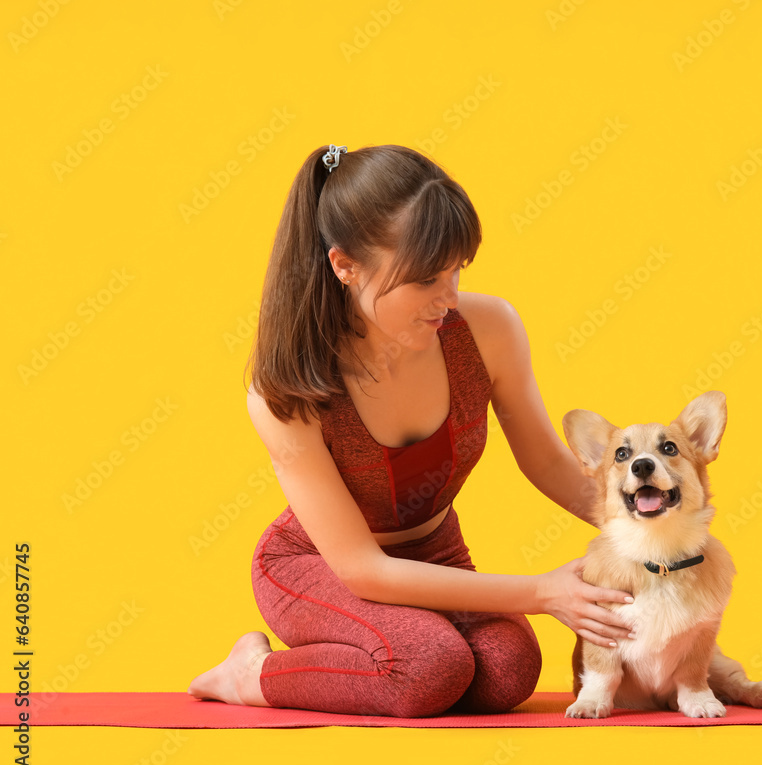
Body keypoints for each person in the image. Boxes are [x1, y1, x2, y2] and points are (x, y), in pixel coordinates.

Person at [187, 143, 636, 717]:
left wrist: (651, 528)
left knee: (509, 671)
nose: (449, 299)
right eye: (426, 280)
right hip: (316, 567)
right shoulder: (287, 392)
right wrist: (545, 592)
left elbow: (547, 463)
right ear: (344, 266)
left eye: (456, 270)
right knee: (426, 668)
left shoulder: (488, 330)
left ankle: (386, 649)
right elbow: (362, 568)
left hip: (433, 552)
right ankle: (248, 673)